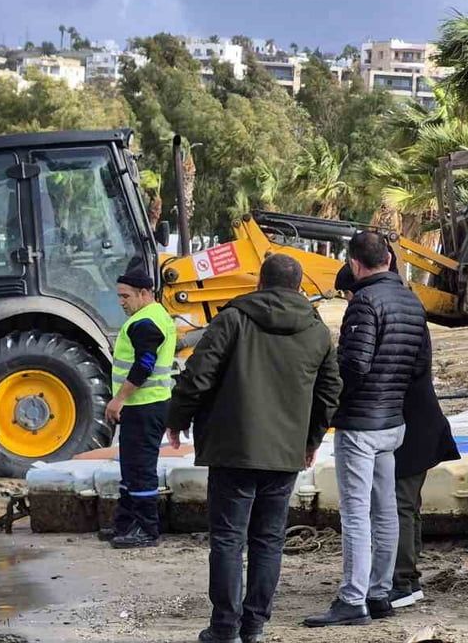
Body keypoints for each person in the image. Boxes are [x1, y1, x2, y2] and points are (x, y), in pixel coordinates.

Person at [167, 254, 342, 643]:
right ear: (299, 287)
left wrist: (177, 419)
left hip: (233, 448)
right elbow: (331, 391)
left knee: (229, 539)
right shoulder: (316, 332)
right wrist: (309, 440)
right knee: (268, 539)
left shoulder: (233, 319)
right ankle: (255, 626)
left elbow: (198, 376)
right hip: (285, 454)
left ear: (260, 282)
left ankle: (224, 627)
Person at [305, 231, 426, 628]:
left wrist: (331, 409)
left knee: (357, 514)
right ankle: (379, 592)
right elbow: (420, 363)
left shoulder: (365, 304)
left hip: (361, 423)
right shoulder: (411, 301)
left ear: (355, 265)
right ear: (389, 260)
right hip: (393, 420)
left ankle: (352, 598)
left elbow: (353, 367)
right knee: (386, 509)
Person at [333, 264, 460, 609]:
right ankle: (396, 577)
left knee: (398, 504)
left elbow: (359, 368)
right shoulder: (409, 308)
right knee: (401, 504)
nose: (346, 303)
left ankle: (402, 580)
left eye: (345, 296)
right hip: (414, 422)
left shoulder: (373, 313)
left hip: (406, 424)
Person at [104, 264, 177, 549]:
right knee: (131, 466)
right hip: (146, 405)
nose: (121, 302)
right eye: (119, 296)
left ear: (144, 293)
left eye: (125, 296)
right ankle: (126, 523)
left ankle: (147, 529)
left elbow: (144, 365)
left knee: (141, 468)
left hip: (143, 405)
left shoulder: (145, 322)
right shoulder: (154, 315)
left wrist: (118, 399)